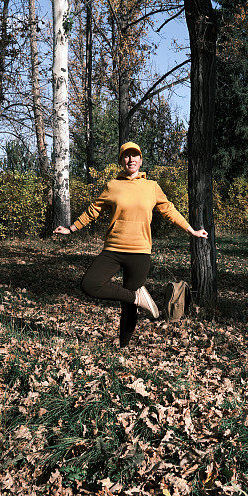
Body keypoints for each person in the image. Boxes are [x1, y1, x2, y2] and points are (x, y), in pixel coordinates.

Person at [54, 141, 208, 347]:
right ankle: (138, 298)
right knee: (90, 284)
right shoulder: (112, 186)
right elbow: (93, 210)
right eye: (126, 156)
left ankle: (123, 346)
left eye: (135, 155)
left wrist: (192, 230)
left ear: (141, 160)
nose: (131, 159)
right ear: (121, 161)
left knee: (128, 307)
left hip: (140, 252)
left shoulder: (151, 187)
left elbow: (169, 210)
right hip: (113, 249)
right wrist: (71, 228)